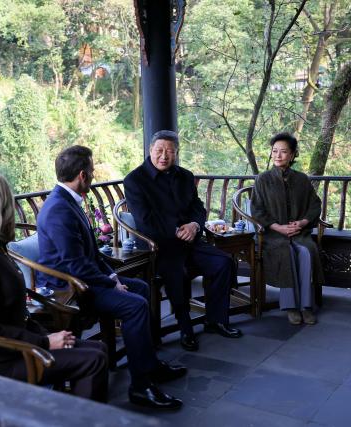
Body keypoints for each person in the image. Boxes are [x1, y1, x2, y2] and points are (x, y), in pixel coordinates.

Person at [36, 145, 186, 410]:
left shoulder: (69, 201)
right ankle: (141, 387)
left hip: (84, 278)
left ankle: (148, 364)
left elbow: (90, 254)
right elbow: (75, 265)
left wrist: (113, 275)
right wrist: (110, 282)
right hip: (70, 289)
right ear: (83, 175)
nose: (93, 175)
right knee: (135, 304)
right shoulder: (59, 209)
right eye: (92, 171)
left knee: (140, 287)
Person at [0, 171, 109, 402]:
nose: (11, 207)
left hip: (11, 351)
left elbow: (14, 316)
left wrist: (47, 337)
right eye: (6, 201)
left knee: (98, 349)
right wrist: (45, 342)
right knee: (93, 360)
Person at [124, 130, 242, 352]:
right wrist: (177, 229)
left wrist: (195, 225)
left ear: (176, 153)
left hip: (190, 240)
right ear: (150, 150)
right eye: (159, 150)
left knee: (223, 262)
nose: (164, 156)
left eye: (170, 151)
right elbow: (144, 220)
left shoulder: (185, 176)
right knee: (176, 272)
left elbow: (197, 207)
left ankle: (216, 320)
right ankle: (185, 326)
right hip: (158, 245)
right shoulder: (135, 180)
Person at [250, 132, 324, 325]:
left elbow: (315, 204)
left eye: (283, 152)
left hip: (299, 233)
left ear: (292, 155)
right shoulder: (263, 180)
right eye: (275, 151)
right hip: (274, 235)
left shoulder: (301, 179)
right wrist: (278, 228)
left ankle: (306, 306)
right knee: (286, 252)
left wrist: (302, 223)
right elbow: (257, 210)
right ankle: (290, 306)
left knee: (307, 251)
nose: (278, 155)